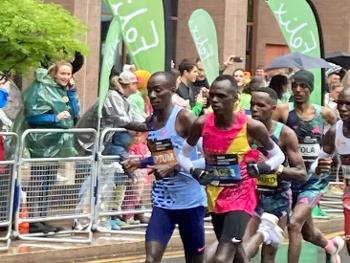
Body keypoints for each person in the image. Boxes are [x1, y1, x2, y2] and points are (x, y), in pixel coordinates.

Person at [177, 75, 285, 263]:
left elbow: (279, 156)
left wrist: (262, 168)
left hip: (242, 196)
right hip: (216, 196)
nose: (215, 100)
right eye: (212, 95)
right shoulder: (202, 124)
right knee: (236, 253)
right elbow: (182, 155)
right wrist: (194, 171)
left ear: (235, 98)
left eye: (221, 96)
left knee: (222, 257)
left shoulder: (251, 126)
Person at [123, 71, 207, 263]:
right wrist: (140, 162)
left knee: (194, 259)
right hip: (163, 202)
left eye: (158, 90)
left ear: (172, 90)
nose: (152, 96)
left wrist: (175, 167)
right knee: (151, 259)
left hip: (190, 202)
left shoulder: (184, 118)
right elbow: (163, 157)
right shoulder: (151, 122)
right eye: (150, 90)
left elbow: (210, 157)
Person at [272, 69, 342, 262]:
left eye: (303, 86)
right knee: (307, 232)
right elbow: (269, 133)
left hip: (314, 180)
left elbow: (339, 134)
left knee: (294, 224)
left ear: (310, 89)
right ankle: (332, 246)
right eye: (294, 86)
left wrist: (330, 158)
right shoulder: (284, 112)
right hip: (291, 177)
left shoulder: (324, 113)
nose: (298, 90)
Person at [243, 87, 307, 262]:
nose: (254, 109)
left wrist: (272, 167)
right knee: (245, 248)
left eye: (260, 105)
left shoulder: (285, 134)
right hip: (251, 197)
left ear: (273, 109)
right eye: (252, 104)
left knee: (268, 254)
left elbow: (301, 173)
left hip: (277, 200)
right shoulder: (244, 130)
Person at [22, 61, 80, 233]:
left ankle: (42, 219)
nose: (66, 77)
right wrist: (55, 118)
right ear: (54, 73)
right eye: (62, 73)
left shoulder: (62, 90)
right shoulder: (41, 88)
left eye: (68, 74)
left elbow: (75, 113)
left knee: (48, 181)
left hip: (57, 142)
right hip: (42, 143)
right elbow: (32, 116)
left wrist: (71, 92)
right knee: (39, 180)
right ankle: (34, 220)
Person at [314, 87, 350, 258]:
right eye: (340, 103)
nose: (342, 108)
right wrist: (319, 167)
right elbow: (319, 160)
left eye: (348, 104)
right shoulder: (334, 131)